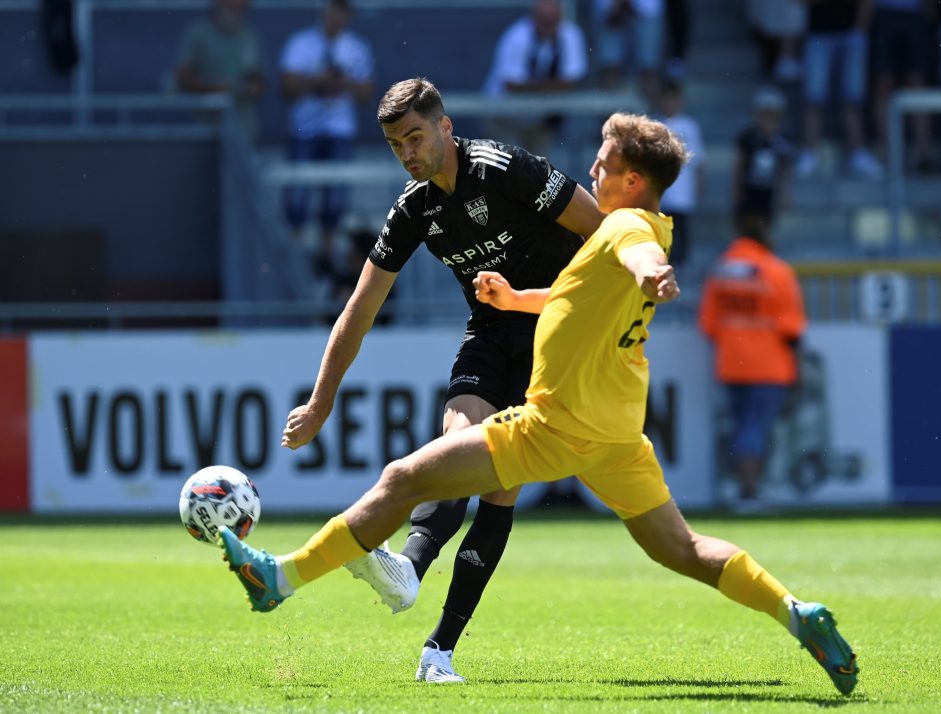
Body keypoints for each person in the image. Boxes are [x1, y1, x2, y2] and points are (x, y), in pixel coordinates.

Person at [217, 112, 859, 698]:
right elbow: (576, 296)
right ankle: (795, 613)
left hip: (555, 425)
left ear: (633, 179)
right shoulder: (631, 228)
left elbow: (638, 255)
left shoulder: (627, 227)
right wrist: (514, 298)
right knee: (682, 549)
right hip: (618, 436)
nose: (593, 173)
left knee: (403, 477)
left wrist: (652, 273)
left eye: (603, 166)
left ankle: (281, 579)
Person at [277, 78, 605, 682]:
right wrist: (321, 402)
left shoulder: (508, 169)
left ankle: (440, 650)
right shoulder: (415, 208)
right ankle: (407, 572)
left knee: (500, 486)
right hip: (489, 331)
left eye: (415, 137)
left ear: (446, 128)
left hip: (552, 330)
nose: (407, 153)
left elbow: (602, 232)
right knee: (458, 442)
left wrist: (591, 317)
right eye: (396, 144)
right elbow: (360, 308)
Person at [698, 211, 807, 508]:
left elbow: (708, 323)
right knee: (756, 427)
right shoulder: (776, 270)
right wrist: (797, 369)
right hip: (770, 366)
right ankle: (748, 491)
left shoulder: (720, 270)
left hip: (731, 363)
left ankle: (742, 487)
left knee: (740, 426)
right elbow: (792, 328)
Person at [279, 0, 375, 279]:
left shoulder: (356, 46)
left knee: (335, 196)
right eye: (332, 10)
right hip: (304, 129)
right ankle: (296, 254)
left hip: (339, 129)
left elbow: (367, 91)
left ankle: (326, 251)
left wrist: (342, 83)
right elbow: (287, 86)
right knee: (297, 194)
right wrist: (318, 81)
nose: (335, 17)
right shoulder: (301, 43)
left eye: (341, 11)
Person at [481, 0, 588, 155]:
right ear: (534, 17)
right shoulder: (517, 36)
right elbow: (512, 84)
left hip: (540, 119)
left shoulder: (569, 35)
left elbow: (572, 80)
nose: (548, 26)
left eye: (552, 20)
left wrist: (537, 88)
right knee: (509, 167)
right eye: (544, 20)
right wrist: (550, 88)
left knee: (539, 170)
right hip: (505, 115)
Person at [795, 0, 884, 180]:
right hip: (818, 34)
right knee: (814, 97)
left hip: (852, 33)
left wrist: (860, 28)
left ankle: (858, 153)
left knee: (853, 98)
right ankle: (810, 153)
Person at [173, 0, 265, 140]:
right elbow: (183, 78)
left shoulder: (249, 36)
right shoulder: (198, 33)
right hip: (205, 127)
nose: (236, 11)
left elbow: (256, 75)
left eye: (241, 8)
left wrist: (254, 87)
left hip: (243, 130)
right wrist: (215, 90)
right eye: (231, 6)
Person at [870, 0, 936, 170]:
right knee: (883, 83)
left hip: (915, 13)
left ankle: (923, 153)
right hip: (883, 13)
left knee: (917, 84)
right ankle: (887, 152)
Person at [652, 79, 703, 269]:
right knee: (662, 232)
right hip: (662, 192)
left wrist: (699, 185)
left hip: (682, 190)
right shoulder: (654, 124)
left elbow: (698, 160)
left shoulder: (689, 126)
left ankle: (682, 268)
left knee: (681, 230)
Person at [732, 86, 796, 225]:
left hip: (769, 191)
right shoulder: (748, 137)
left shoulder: (783, 140)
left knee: (765, 226)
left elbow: (786, 169)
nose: (767, 119)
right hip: (750, 188)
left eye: (771, 115)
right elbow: (740, 164)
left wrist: (785, 193)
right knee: (746, 224)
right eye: (764, 114)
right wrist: (737, 190)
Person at [593, 0, 664, 96]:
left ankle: (651, 106)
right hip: (609, 7)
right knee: (610, 65)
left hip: (647, 7)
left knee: (649, 66)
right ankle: (609, 104)